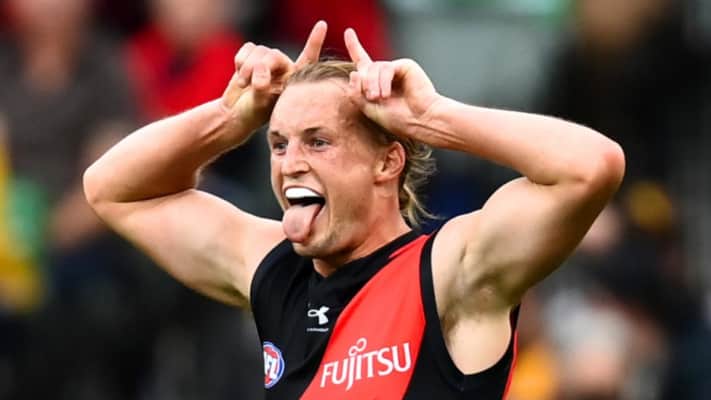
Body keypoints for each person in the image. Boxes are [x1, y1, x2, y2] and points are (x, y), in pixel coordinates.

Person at [83, 21, 625, 399]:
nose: (290, 164)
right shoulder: (273, 269)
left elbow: (590, 167)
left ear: (387, 162)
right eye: (278, 144)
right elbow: (112, 189)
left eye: (318, 142)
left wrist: (434, 118)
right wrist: (230, 117)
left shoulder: (448, 273)